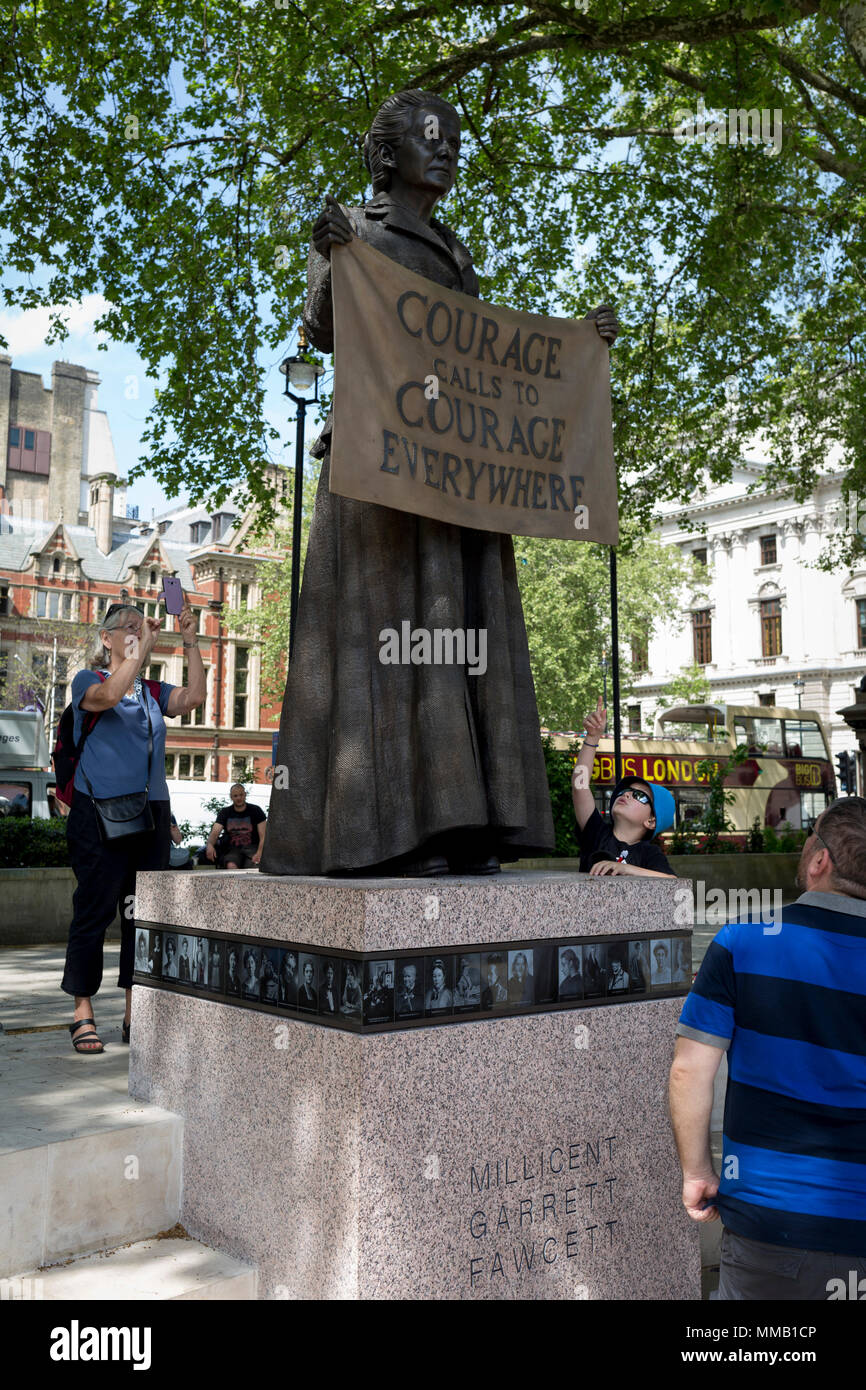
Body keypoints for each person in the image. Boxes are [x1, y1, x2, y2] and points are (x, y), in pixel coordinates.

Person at [260, 87, 618, 880]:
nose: (447, 148)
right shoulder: (353, 231)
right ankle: (386, 830)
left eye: (453, 137)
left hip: (454, 482)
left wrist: (576, 351)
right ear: (387, 156)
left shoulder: (457, 256)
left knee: (462, 643)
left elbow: (489, 366)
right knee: (386, 642)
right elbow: (322, 324)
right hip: (380, 475)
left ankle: (463, 822)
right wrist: (328, 260)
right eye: (431, 137)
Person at [669, 797, 866, 1299]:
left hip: (770, 1225)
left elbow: (690, 1071)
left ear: (821, 859)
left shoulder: (742, 941)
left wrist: (697, 1172)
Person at [62, 599, 206, 1052]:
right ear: (106, 639)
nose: (134, 631)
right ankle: (82, 1010)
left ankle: (133, 1012)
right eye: (125, 627)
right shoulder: (91, 680)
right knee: (94, 910)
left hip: (150, 813)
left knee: (140, 917)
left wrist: (189, 640)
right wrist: (140, 651)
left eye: (139, 626)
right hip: (97, 812)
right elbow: (106, 699)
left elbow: (194, 698)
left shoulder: (150, 690)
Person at [572, 697, 677, 878]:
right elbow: (579, 786)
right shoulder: (596, 833)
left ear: (651, 821)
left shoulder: (649, 854)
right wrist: (592, 738)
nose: (627, 794)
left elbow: (672, 880)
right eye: (625, 791)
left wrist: (626, 869)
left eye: (639, 795)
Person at [204, 784, 267, 869]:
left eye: (241, 795)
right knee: (231, 865)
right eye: (235, 796)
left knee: (253, 868)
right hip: (232, 849)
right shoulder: (225, 812)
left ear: (245, 795)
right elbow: (214, 833)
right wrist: (210, 845)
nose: (238, 798)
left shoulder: (256, 810)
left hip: (252, 849)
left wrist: (259, 853)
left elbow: (264, 836)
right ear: (231, 797)